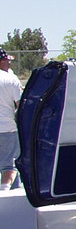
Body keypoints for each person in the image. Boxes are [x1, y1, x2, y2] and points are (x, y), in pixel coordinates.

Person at [0, 48, 23, 190]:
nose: (9, 63)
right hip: (7, 127)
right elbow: (20, 105)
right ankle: (5, 192)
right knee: (10, 164)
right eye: (6, 60)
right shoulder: (10, 79)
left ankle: (15, 188)